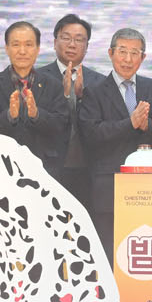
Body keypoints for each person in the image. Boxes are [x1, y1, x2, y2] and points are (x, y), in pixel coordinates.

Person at [80, 27, 152, 256]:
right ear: (111, 53)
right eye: (122, 51)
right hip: (109, 185)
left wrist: (147, 125)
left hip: (150, 187)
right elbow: (91, 134)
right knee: (110, 251)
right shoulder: (94, 91)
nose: (128, 59)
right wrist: (130, 123)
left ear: (143, 57)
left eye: (134, 53)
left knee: (146, 249)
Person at [0, 21, 70, 159]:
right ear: (7, 48)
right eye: (16, 45)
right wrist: (9, 116)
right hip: (1, 163)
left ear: (38, 49)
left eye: (28, 45)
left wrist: (36, 115)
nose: (22, 51)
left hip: (44, 165)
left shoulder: (54, 85)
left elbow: (62, 128)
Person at [34, 14, 93, 209]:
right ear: (54, 42)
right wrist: (65, 95)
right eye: (66, 38)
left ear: (87, 46)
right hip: (45, 169)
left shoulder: (100, 82)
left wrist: (81, 98)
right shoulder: (37, 78)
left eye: (79, 39)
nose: (72, 44)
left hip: (87, 170)